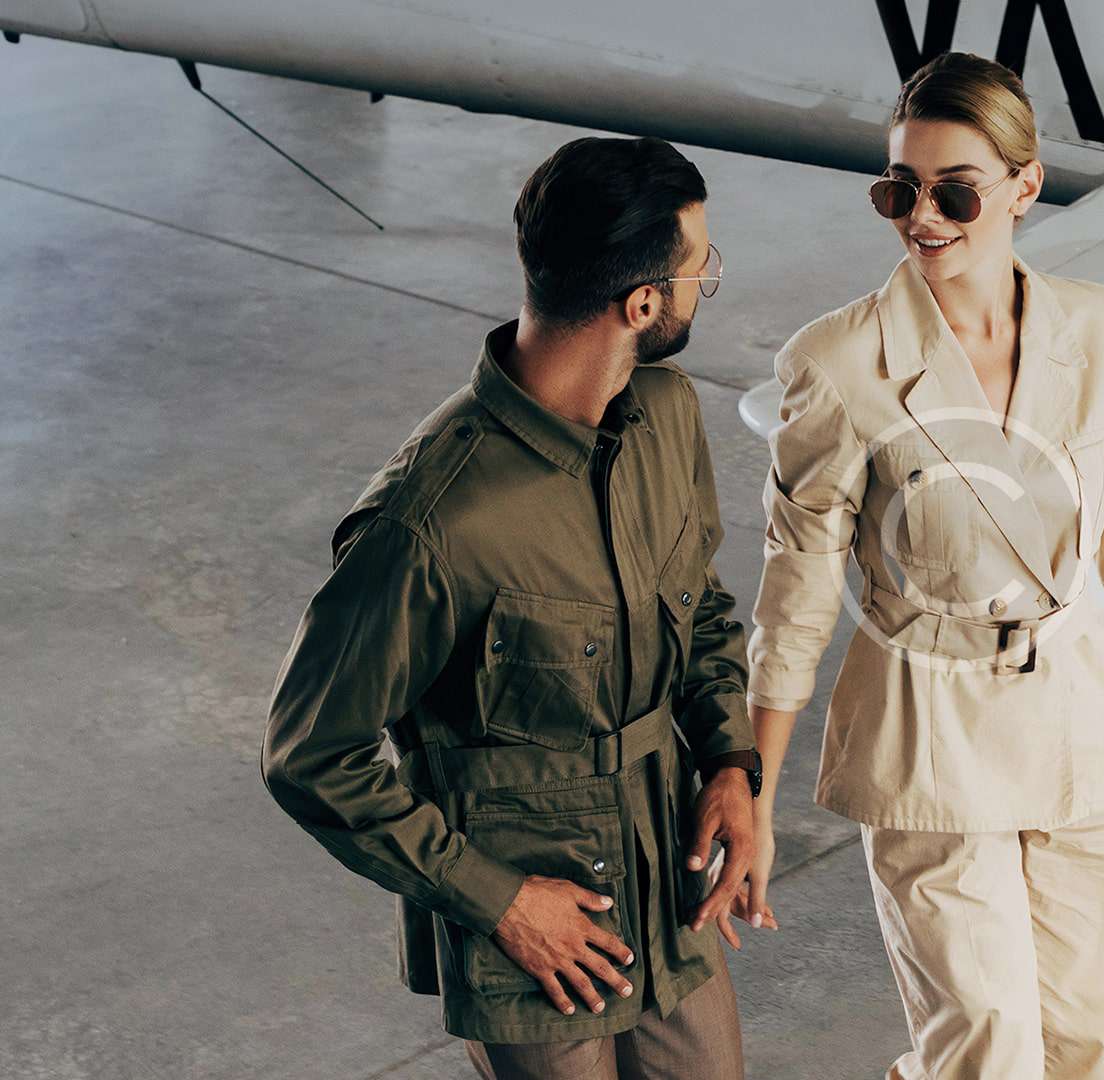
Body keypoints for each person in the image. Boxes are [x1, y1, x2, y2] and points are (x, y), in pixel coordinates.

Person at [740, 52, 1104, 1079]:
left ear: (1025, 186)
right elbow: (795, 595)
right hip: (928, 745)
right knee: (986, 1053)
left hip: (1081, 742)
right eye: (899, 190)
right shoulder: (837, 363)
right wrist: (753, 798)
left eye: (955, 191)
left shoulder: (1101, 332)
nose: (922, 218)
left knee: (1076, 1053)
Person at [261, 135, 768, 1080]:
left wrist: (731, 763)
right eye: (701, 269)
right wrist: (498, 901)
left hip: (667, 882)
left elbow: (699, 608)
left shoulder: (666, 418)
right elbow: (310, 753)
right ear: (643, 303)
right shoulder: (433, 520)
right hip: (536, 934)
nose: (706, 285)